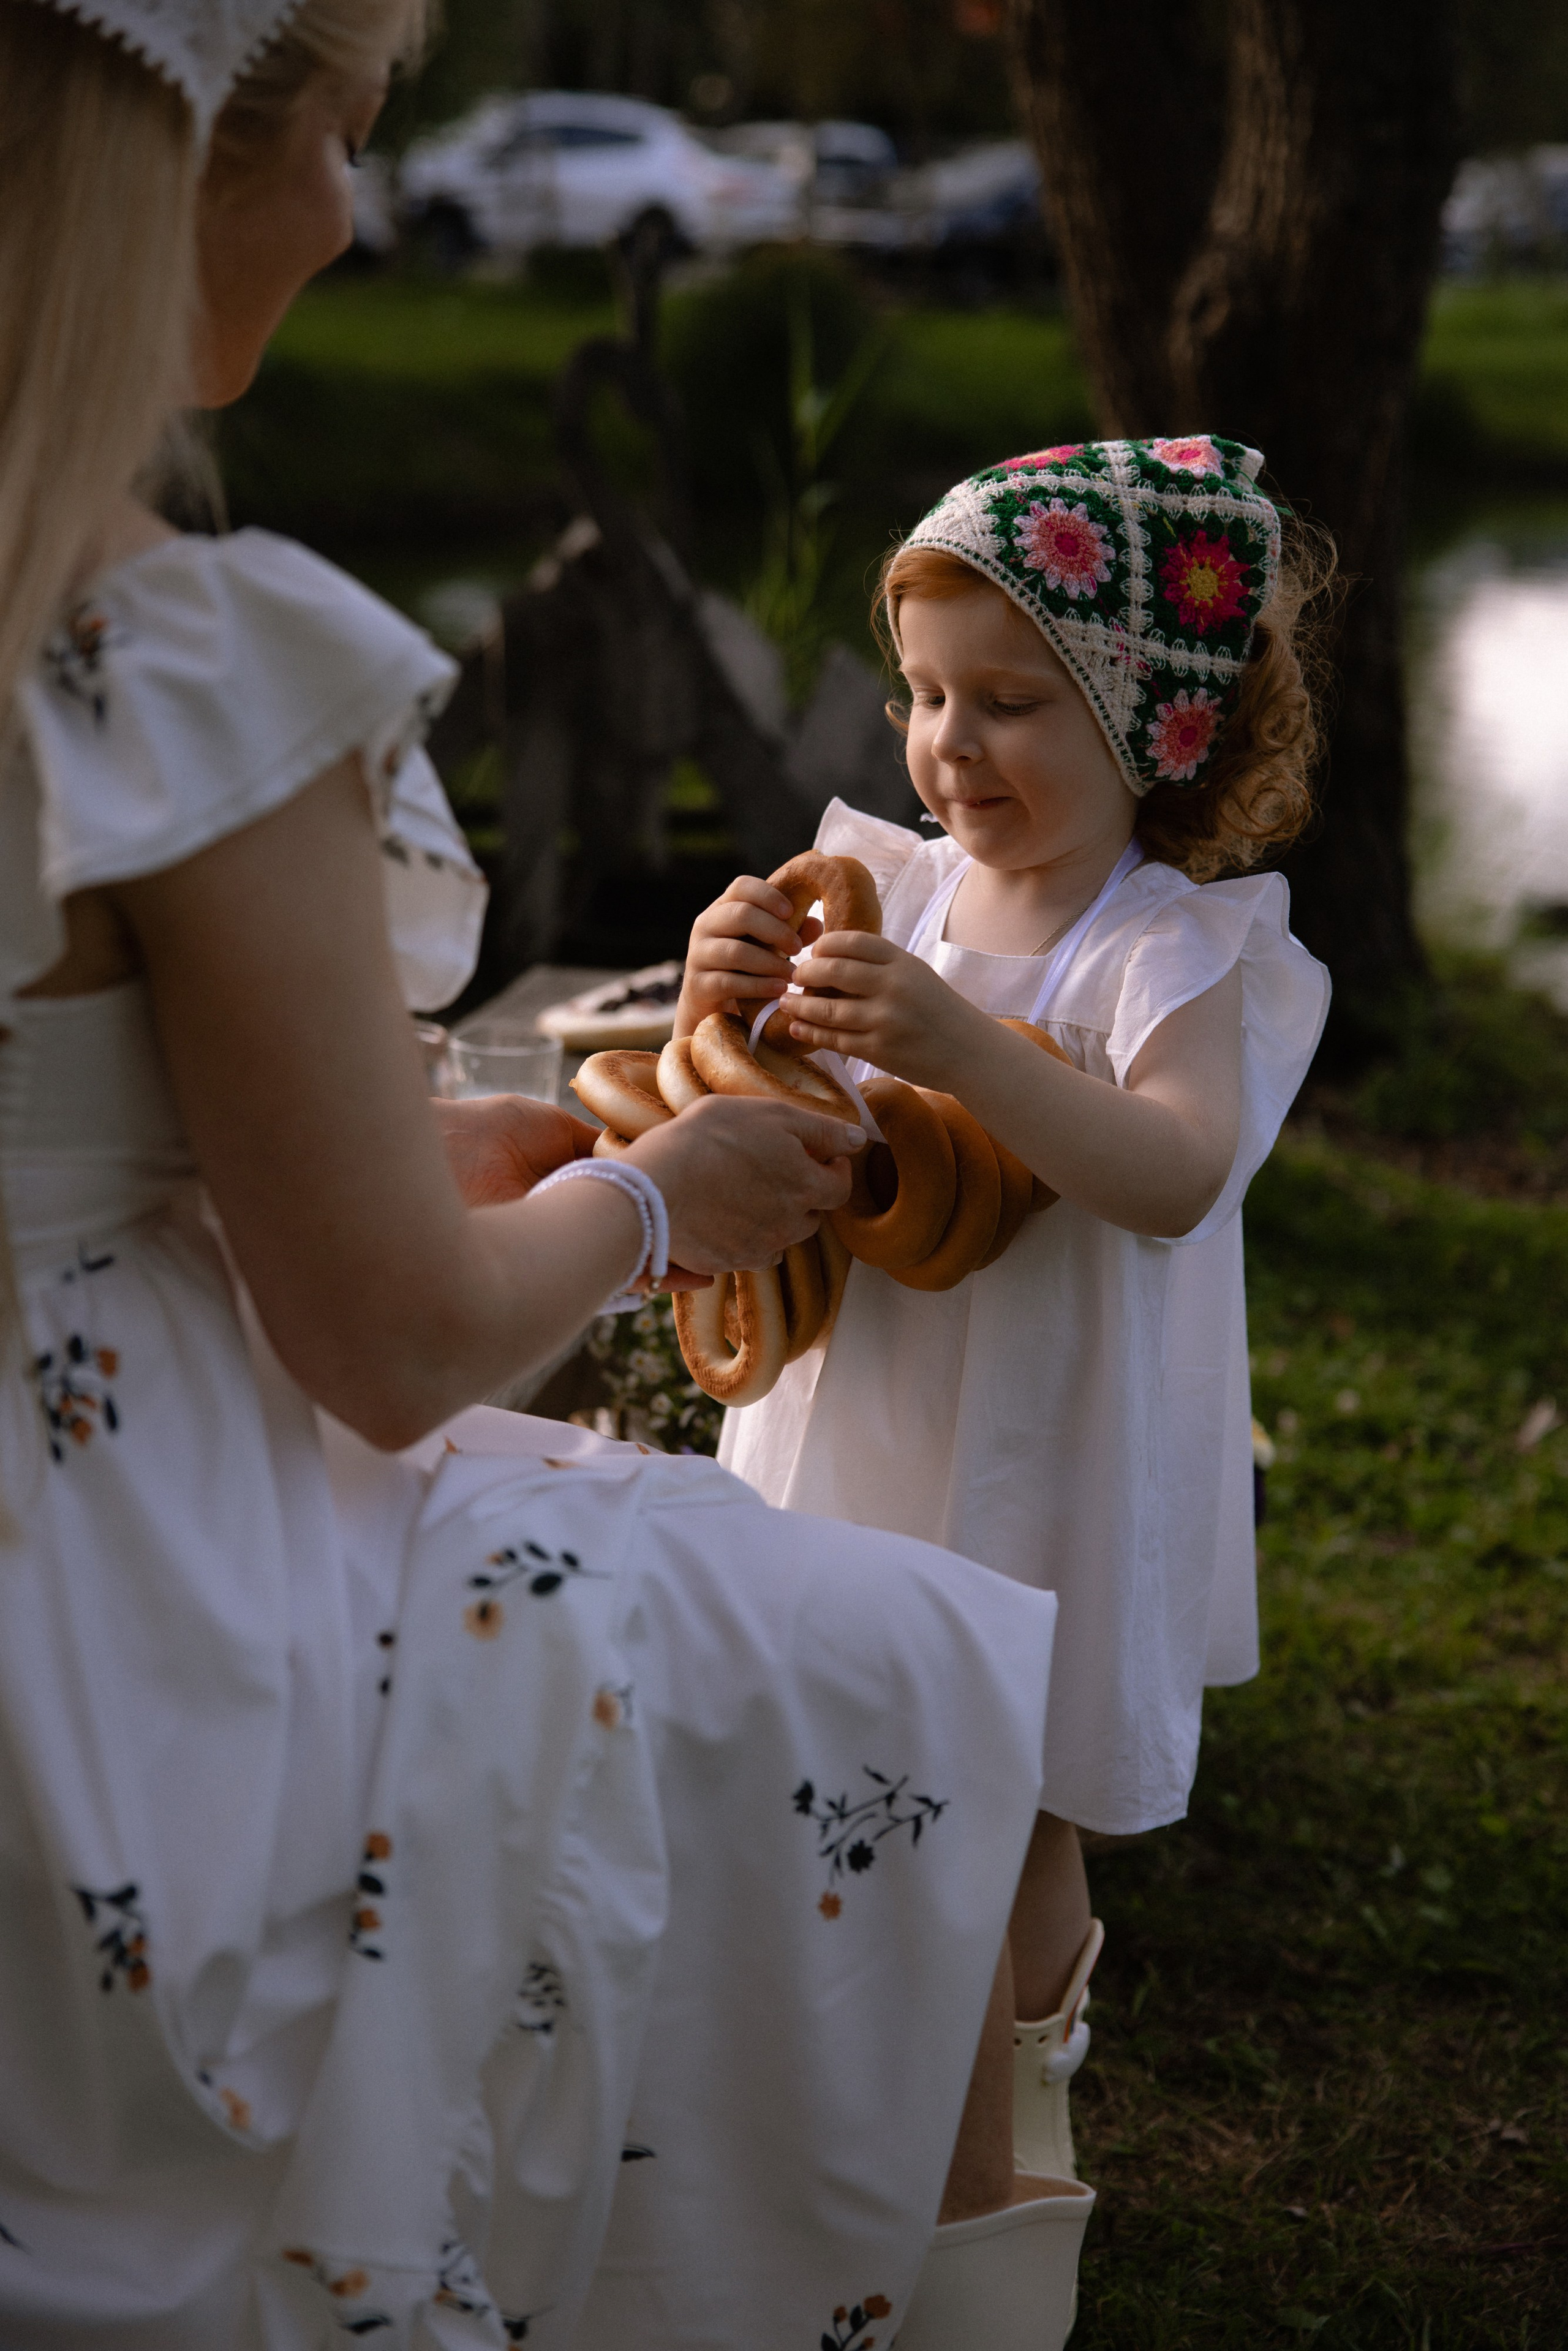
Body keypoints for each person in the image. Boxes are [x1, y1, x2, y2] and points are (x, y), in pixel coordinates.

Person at [0, 6, 1066, 2345]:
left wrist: (361, 1161)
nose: (356, 217)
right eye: (351, 143)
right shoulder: (161, 657)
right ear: (167, 174)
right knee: (905, 1674)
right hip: (103, 1594)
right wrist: (663, 1198)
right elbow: (382, 1349)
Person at [677, 436, 1333, 2330]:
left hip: (1049, 1440)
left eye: (1013, 702)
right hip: (878, 1403)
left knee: (1011, 1792)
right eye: (929, 696)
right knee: (858, 1754)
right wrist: (721, 985)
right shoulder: (889, 886)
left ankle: (998, 2141)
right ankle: (883, 2093)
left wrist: (969, 1035)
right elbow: (788, 1098)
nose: (952, 747)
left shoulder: (1168, 947)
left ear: (1155, 724)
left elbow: (1172, 1167)